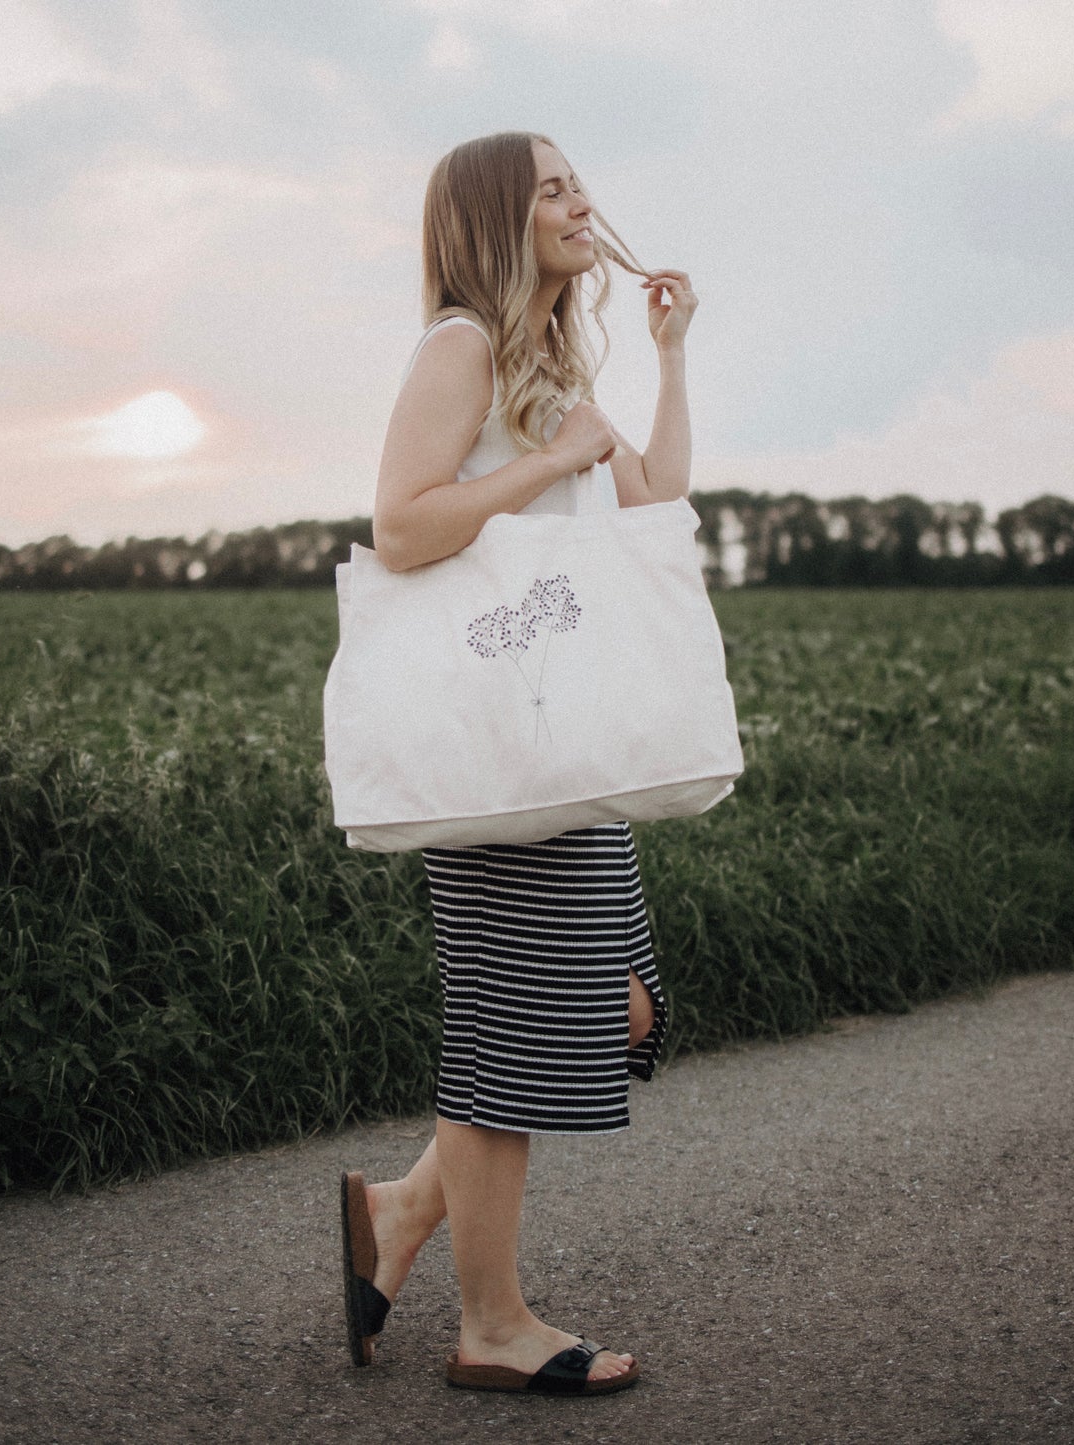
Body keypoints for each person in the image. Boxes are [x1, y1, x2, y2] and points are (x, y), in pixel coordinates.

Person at [340, 130, 697, 1397]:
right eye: (549, 187)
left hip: (556, 744)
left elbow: (654, 508)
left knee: (619, 1010)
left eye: (580, 181)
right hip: (492, 755)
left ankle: (400, 1214)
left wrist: (664, 359)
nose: (580, 201)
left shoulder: (548, 359)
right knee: (515, 1033)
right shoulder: (461, 348)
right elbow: (398, 523)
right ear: (495, 218)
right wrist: (551, 460)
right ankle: (490, 1320)